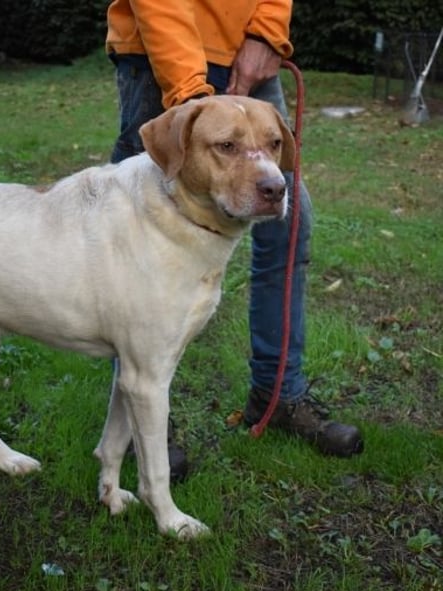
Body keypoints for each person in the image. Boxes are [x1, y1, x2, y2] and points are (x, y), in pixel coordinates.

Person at [106, 0, 363, 460]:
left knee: (287, 215)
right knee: (138, 233)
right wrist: (190, 94)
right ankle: (138, 422)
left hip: (250, 53)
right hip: (162, 48)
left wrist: (267, 32)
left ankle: (278, 394)